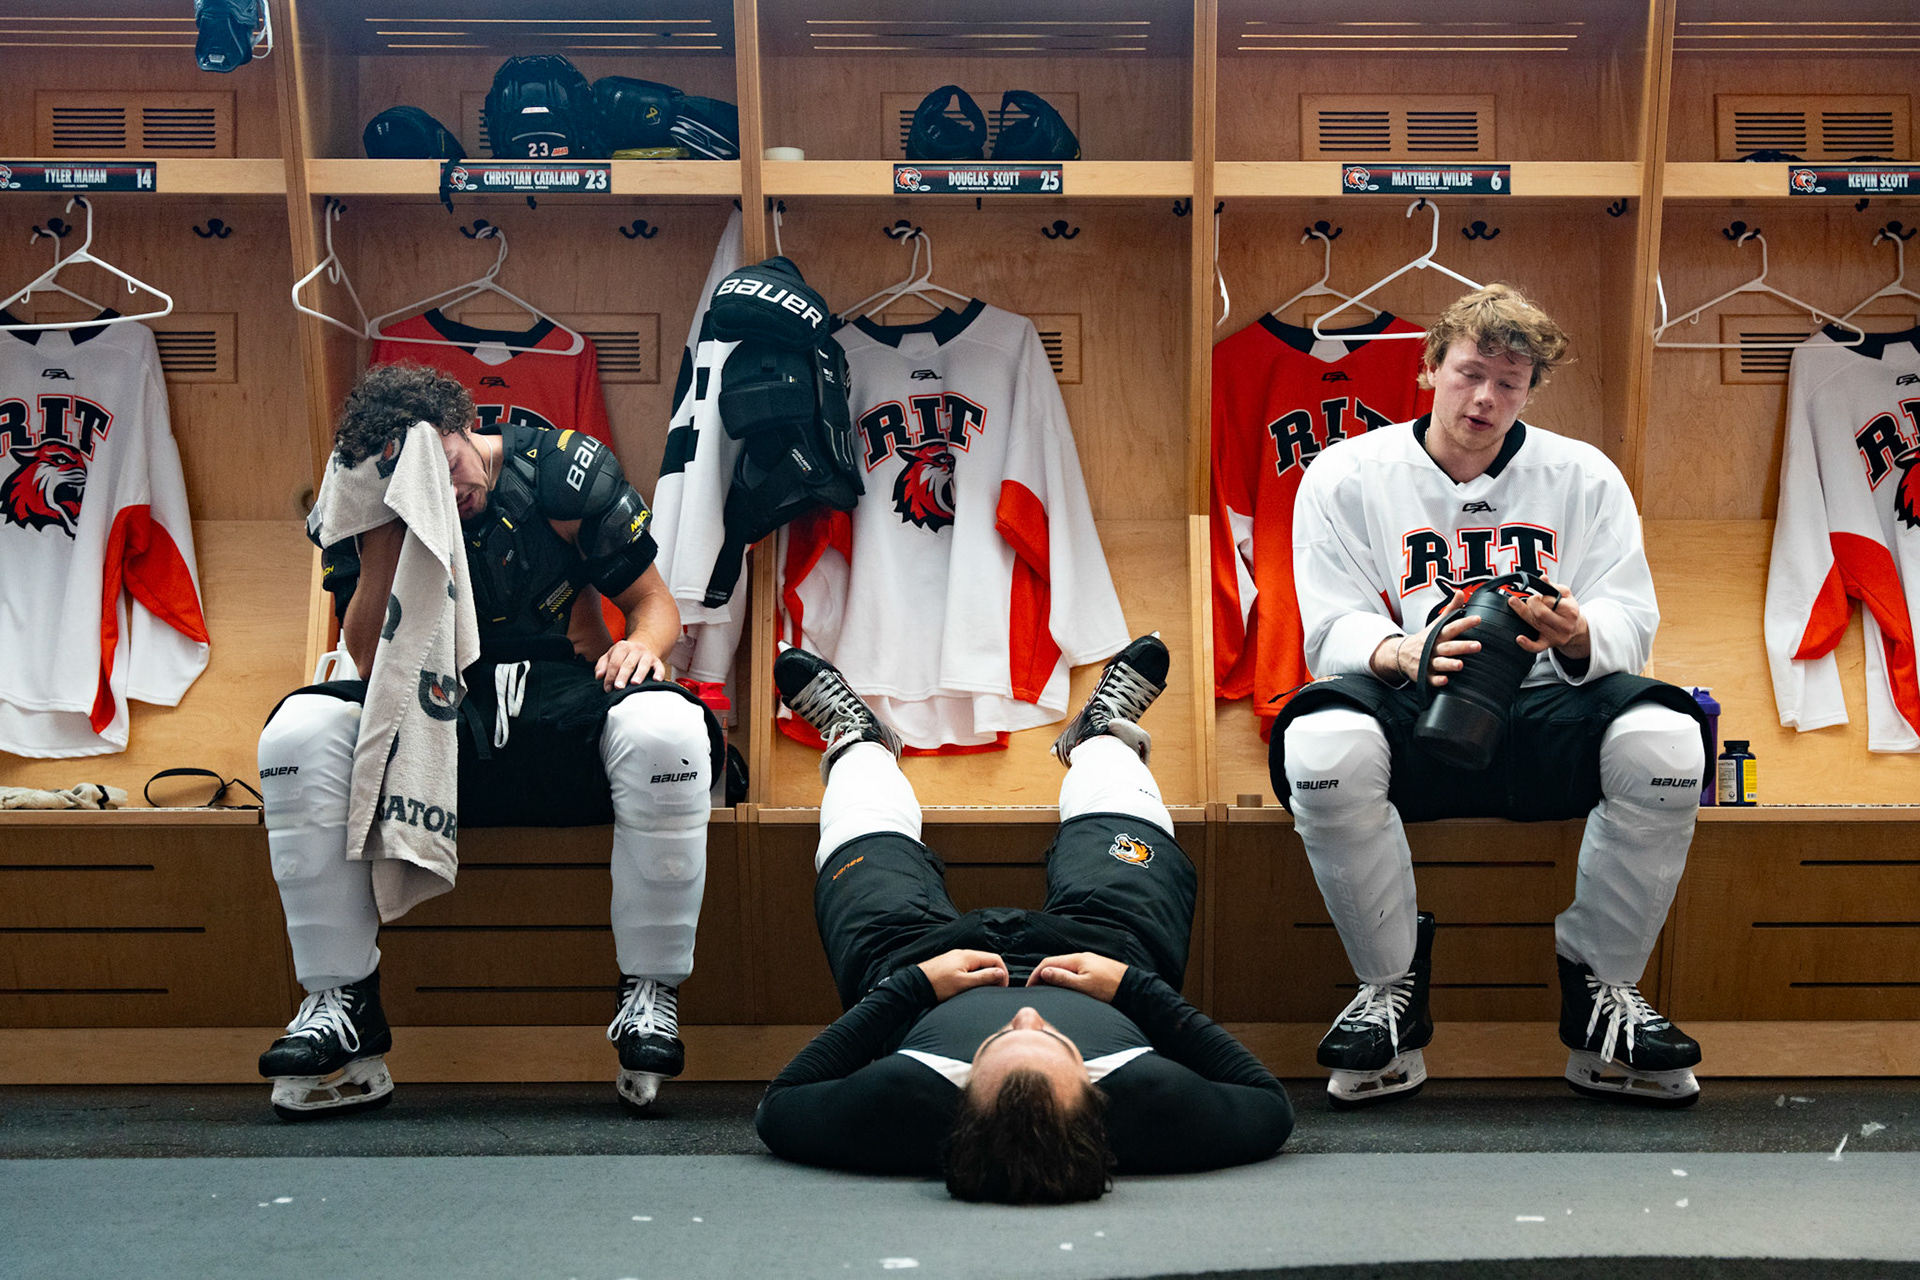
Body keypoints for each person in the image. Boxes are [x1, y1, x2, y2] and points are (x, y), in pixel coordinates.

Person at [1272, 283, 1710, 1109]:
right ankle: (1388, 991)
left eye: (1510, 382)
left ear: (1532, 390)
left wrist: (1578, 630)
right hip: (1412, 692)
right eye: (1471, 373)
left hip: (1549, 702)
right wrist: (1404, 651)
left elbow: (1633, 616)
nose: (1486, 398)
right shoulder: (1345, 474)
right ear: (1430, 367)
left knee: (1668, 745)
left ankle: (1604, 996)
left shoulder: (1584, 475)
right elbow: (1328, 630)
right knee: (1320, 751)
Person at [255, 363, 720, 1120]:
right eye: (424, 482)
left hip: (556, 697)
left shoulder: (561, 471)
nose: (452, 490)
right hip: (427, 705)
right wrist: (387, 532)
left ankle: (650, 991)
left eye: (450, 468)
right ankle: (339, 1001)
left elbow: (653, 606)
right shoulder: (367, 499)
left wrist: (643, 648)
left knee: (668, 730)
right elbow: (371, 658)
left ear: (465, 426)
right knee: (297, 734)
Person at [757, 634, 1293, 1202]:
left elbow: (780, 1102)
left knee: (865, 850)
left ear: (959, 1104)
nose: (1029, 1015)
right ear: (1095, 1100)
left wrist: (913, 985)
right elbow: (1268, 1101)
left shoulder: (900, 1102)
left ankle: (858, 742)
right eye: (1057, 1042)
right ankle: (1101, 735)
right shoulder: (1152, 1101)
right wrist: (1132, 987)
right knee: (1125, 843)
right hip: (1105, 950)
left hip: (911, 960)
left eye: (997, 1042)